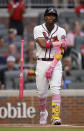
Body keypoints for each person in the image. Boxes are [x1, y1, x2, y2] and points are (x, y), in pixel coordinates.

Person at [33, 7, 67, 125]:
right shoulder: (37, 29)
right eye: (48, 15)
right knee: (42, 93)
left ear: (56, 17)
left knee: (55, 89)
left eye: (53, 15)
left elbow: (60, 51)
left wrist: (52, 67)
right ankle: (43, 112)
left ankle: (55, 117)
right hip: (41, 62)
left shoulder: (61, 31)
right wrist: (59, 43)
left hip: (55, 63)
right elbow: (43, 44)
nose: (50, 17)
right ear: (44, 16)